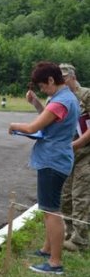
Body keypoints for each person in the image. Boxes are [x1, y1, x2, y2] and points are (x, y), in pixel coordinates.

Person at [9, 62, 79, 274]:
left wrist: (14, 126)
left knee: (51, 211)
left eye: (42, 86)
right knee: (49, 207)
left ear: (51, 80)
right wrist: (38, 104)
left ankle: (55, 263)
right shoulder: (65, 98)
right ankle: (47, 249)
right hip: (57, 158)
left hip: (52, 160)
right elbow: (49, 119)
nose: (42, 90)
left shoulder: (61, 101)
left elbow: (33, 127)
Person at [58, 64, 90, 252]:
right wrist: (37, 103)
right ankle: (69, 232)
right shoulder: (60, 98)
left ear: (73, 76)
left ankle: (80, 240)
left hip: (86, 154)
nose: (63, 82)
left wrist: (76, 145)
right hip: (69, 156)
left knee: (81, 195)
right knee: (66, 195)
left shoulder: (86, 95)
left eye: (65, 78)